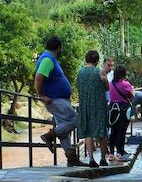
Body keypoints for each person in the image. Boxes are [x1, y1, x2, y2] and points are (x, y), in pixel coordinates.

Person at [35, 36, 82, 168]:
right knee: (75, 120)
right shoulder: (47, 60)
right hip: (55, 99)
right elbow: (38, 78)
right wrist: (41, 95)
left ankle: (72, 159)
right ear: (59, 48)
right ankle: (50, 135)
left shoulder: (49, 59)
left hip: (58, 99)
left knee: (64, 130)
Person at [75, 50, 109, 167]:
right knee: (102, 131)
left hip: (85, 105)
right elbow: (106, 87)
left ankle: (91, 159)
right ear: (97, 60)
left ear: (86, 59)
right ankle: (103, 159)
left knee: (88, 131)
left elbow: (78, 86)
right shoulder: (100, 71)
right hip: (99, 105)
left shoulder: (80, 72)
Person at [106, 64, 135, 163]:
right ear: (123, 73)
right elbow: (132, 95)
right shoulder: (125, 84)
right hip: (123, 110)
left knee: (113, 131)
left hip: (113, 109)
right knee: (121, 132)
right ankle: (119, 153)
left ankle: (111, 154)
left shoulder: (111, 84)